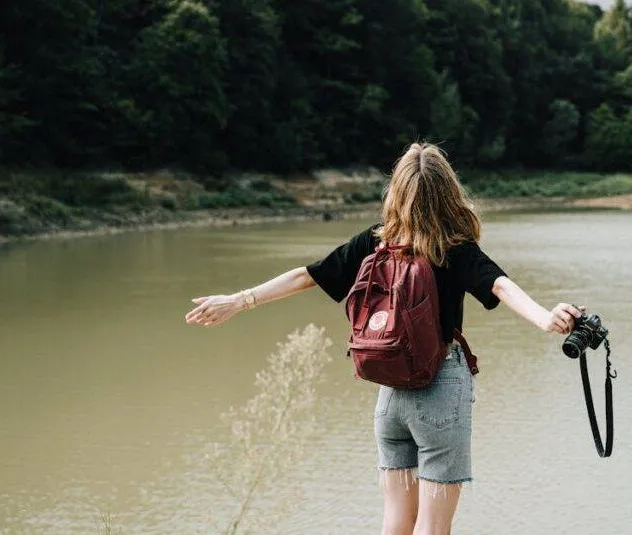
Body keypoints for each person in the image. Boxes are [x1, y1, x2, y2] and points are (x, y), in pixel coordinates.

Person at [185, 142, 585, 535]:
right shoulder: (453, 248)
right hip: (440, 392)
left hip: (390, 396)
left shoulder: (376, 243)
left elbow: (307, 276)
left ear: (396, 192)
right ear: (449, 194)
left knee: (395, 523)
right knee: (433, 528)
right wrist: (546, 318)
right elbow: (499, 285)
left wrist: (239, 300)